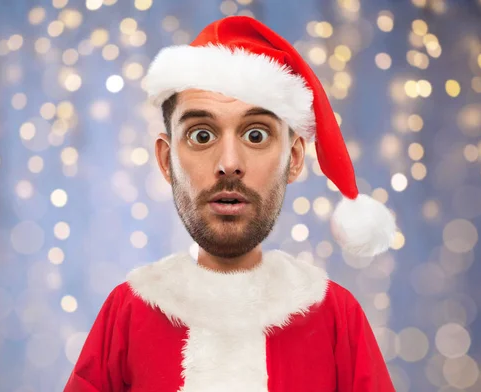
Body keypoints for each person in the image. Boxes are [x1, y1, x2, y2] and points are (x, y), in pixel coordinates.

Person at [64, 15, 397, 392]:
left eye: (256, 134)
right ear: (165, 159)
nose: (228, 164)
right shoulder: (127, 313)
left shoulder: (336, 317)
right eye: (201, 134)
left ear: (295, 158)